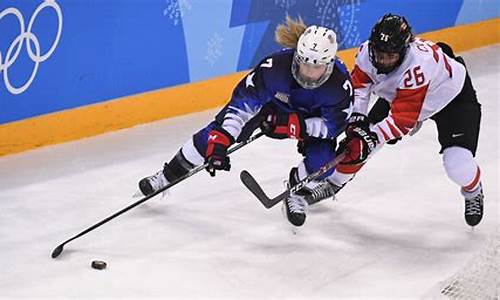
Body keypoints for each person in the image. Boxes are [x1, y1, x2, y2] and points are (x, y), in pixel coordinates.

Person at [137, 16, 354, 227]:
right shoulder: (275, 67)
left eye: (316, 67)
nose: (308, 72)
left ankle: (297, 192)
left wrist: (296, 125)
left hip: (309, 121)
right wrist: (220, 141)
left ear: (329, 63)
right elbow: (242, 105)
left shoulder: (340, 84)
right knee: (209, 139)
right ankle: (165, 177)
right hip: (270, 112)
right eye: (304, 63)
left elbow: (334, 126)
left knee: (323, 162)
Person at [319, 13, 484, 227]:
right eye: (379, 53)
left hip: (452, 99)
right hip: (403, 94)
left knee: (457, 164)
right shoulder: (366, 53)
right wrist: (356, 122)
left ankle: (474, 190)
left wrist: (370, 137)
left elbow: (401, 121)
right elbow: (359, 88)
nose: (383, 59)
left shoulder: (417, 66)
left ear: (405, 50)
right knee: (359, 140)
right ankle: (333, 183)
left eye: (391, 55)